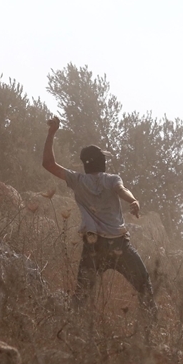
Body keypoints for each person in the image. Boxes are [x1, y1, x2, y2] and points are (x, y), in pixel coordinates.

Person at [42, 117, 156, 312]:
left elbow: (48, 163)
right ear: (101, 161)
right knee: (144, 287)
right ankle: (151, 329)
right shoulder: (111, 179)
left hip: (93, 247)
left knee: (80, 298)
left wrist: (51, 134)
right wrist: (133, 201)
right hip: (119, 245)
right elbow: (121, 190)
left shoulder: (77, 180)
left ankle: (70, 329)